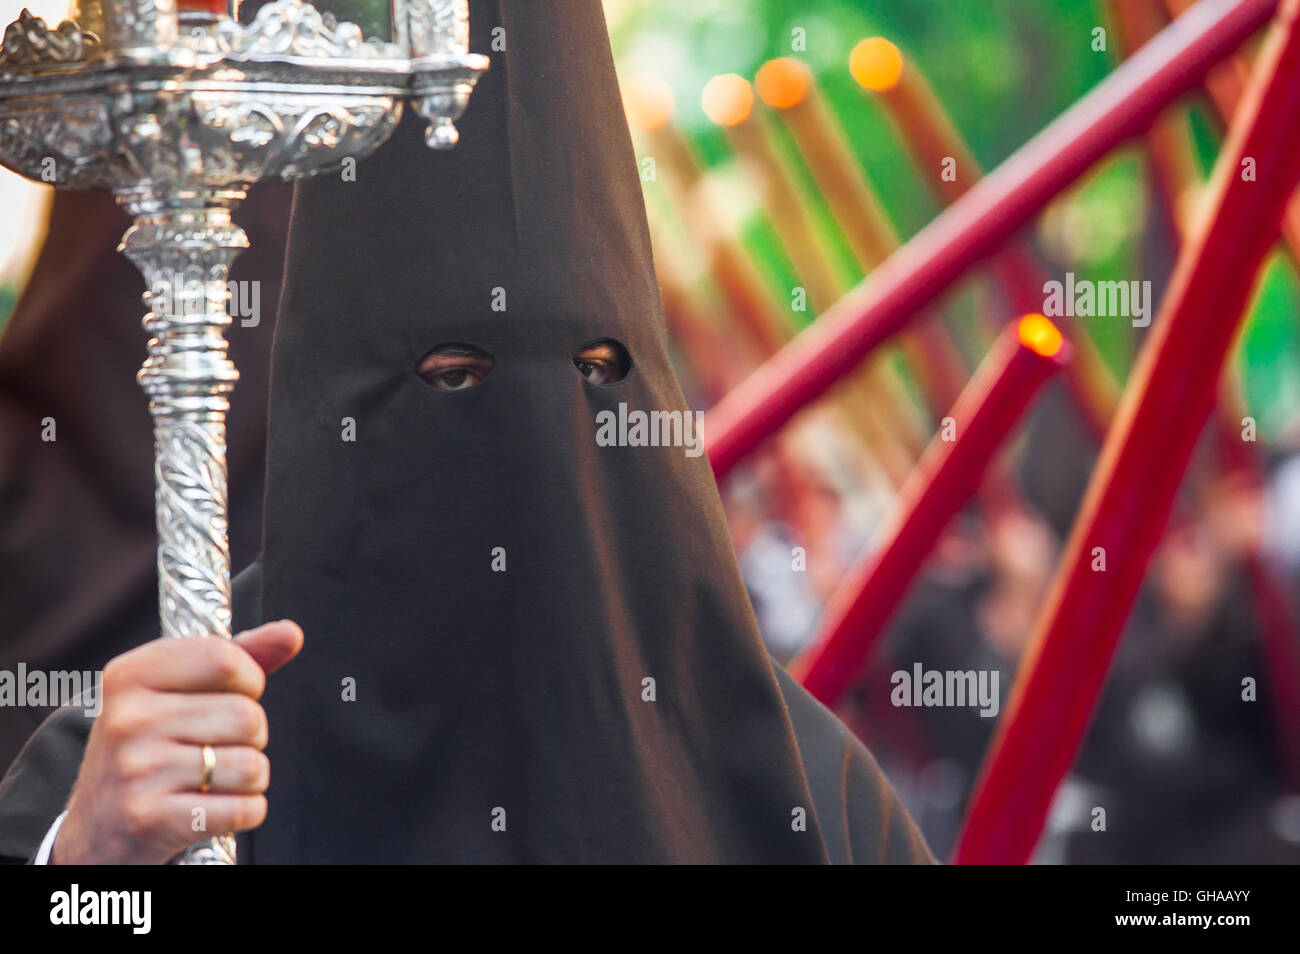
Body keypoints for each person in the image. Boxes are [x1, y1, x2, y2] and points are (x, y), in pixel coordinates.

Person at [0, 0, 933, 864]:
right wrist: (87, 862)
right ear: (339, 406)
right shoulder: (168, 751)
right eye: (454, 378)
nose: (532, 434)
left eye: (594, 375)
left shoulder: (813, 792)